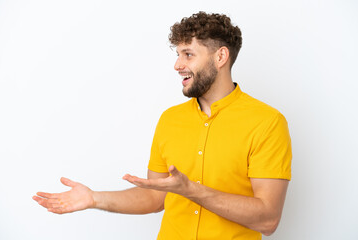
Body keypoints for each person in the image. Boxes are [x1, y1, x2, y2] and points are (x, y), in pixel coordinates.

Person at [33, 11, 292, 240]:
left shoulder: (267, 122)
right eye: (178, 54)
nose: (178, 65)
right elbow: (155, 197)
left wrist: (192, 190)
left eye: (188, 54)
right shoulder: (170, 119)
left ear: (220, 56)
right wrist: (94, 198)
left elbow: (268, 219)